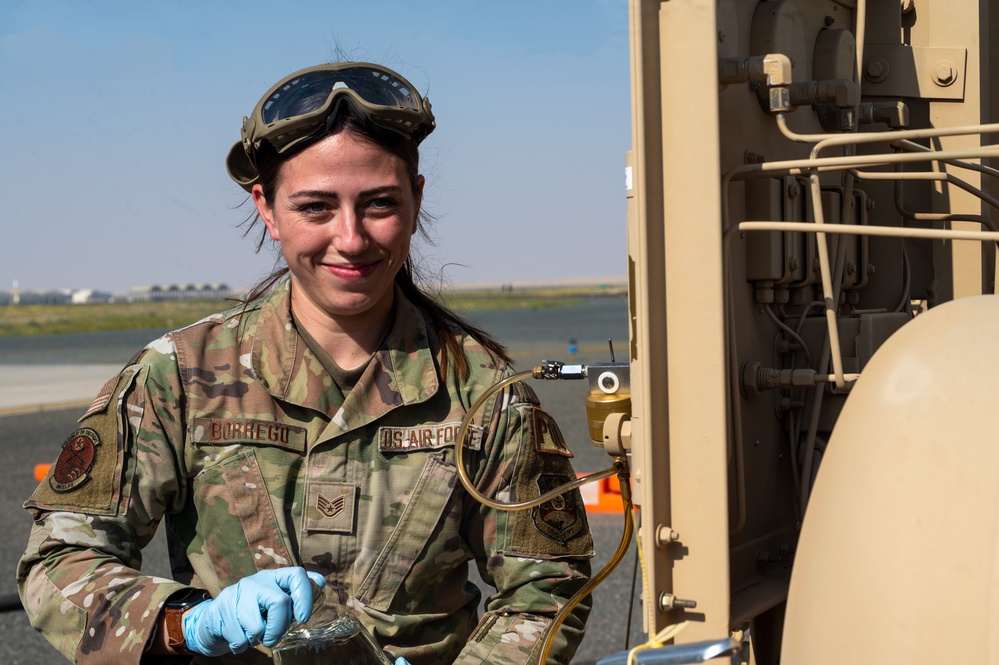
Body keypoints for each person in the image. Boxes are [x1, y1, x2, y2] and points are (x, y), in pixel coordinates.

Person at [17, 62, 594, 665]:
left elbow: (547, 589)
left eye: (379, 203)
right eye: (316, 207)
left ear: (416, 200)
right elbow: (59, 562)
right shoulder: (179, 380)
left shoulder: (483, 394)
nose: (350, 238)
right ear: (266, 208)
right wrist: (187, 622)